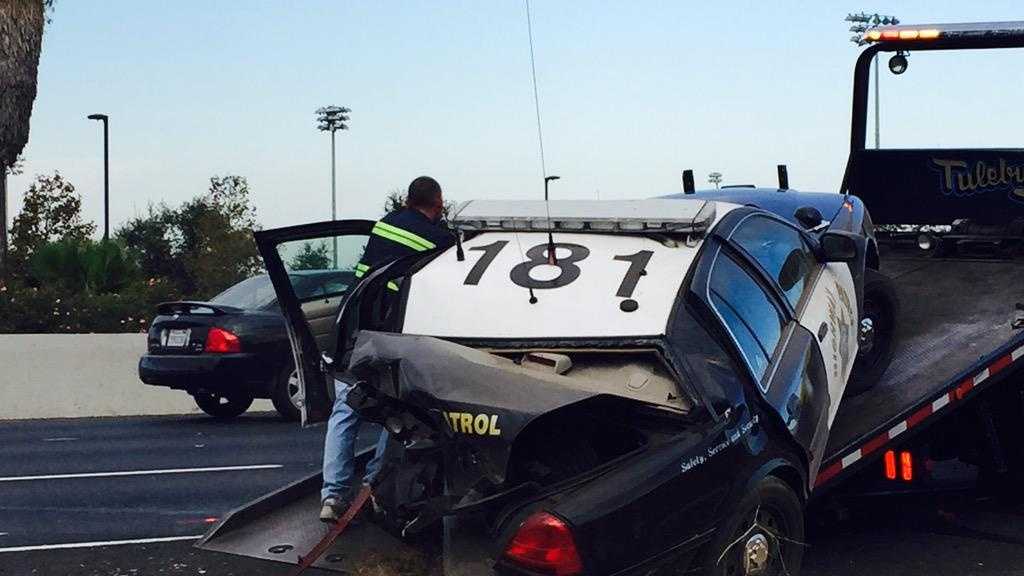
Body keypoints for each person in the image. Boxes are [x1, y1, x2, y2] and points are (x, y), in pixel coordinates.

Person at [320, 175, 454, 522]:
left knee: (345, 412)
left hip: (352, 328)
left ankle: (333, 496)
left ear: (408, 200)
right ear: (438, 204)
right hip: (390, 334)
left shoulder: (385, 224)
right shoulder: (440, 239)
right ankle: (373, 485)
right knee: (394, 412)